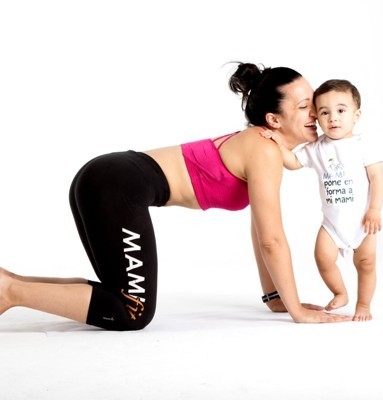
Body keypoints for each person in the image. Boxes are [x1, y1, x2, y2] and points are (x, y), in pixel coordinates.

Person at [0, 63, 351, 331]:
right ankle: (11, 292)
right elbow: (272, 240)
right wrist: (297, 310)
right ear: (273, 119)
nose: (316, 113)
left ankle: (7, 284)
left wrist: (275, 297)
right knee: (132, 311)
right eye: (305, 106)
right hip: (117, 185)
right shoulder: (264, 149)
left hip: (107, 178)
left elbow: (261, 231)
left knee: (118, 294)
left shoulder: (261, 144)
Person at [262, 79, 383, 321]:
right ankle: (340, 292)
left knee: (366, 264)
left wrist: (374, 209)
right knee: (323, 258)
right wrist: (278, 142)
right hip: (332, 223)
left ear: (356, 115)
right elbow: (293, 163)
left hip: (362, 222)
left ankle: (363, 305)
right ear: (317, 117)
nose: (333, 118)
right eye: (325, 112)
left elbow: (377, 179)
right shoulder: (317, 147)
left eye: (341, 111)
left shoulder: (364, 146)